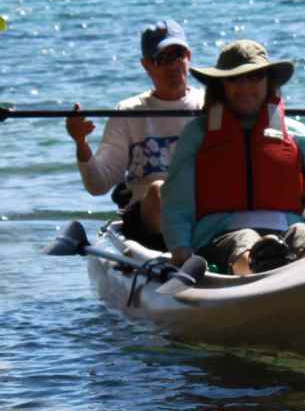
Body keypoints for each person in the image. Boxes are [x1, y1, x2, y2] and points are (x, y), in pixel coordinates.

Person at [160, 39, 305, 275]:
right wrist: (180, 248)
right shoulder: (196, 135)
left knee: (304, 233)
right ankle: (260, 270)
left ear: (268, 82)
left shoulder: (300, 135)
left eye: (254, 77)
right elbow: (177, 204)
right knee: (245, 238)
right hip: (219, 239)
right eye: (234, 79)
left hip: (288, 232)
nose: (244, 87)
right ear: (221, 85)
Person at [66, 20, 204, 249]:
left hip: (201, 214)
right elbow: (98, 185)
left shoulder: (211, 106)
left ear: (188, 56)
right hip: (147, 221)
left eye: (177, 55)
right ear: (146, 65)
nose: (172, 65)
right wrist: (81, 142)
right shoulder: (128, 112)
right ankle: (179, 256)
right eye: (162, 59)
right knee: (158, 190)